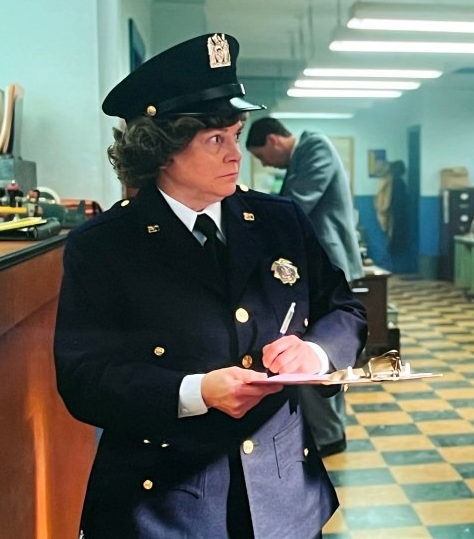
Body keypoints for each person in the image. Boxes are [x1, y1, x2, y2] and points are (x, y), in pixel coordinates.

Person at [54, 33, 367, 538]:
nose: (235, 155)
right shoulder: (106, 245)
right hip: (166, 506)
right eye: (215, 140)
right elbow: (85, 378)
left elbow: (343, 308)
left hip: (284, 496)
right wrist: (194, 391)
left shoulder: (279, 221)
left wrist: (316, 354)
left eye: (237, 135)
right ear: (162, 151)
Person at [246, 116, 364, 458]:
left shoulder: (315, 148)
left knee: (316, 348)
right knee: (310, 350)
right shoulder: (303, 155)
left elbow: (296, 203)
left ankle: (329, 434)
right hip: (315, 264)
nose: (265, 163)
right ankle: (327, 429)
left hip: (329, 263)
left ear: (273, 140)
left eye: (260, 155)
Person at [374, 159, 410, 272]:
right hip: (397, 216)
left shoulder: (391, 182)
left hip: (393, 215)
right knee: (394, 240)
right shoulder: (398, 183)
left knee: (391, 240)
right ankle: (393, 267)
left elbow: (385, 202)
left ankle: (391, 266)